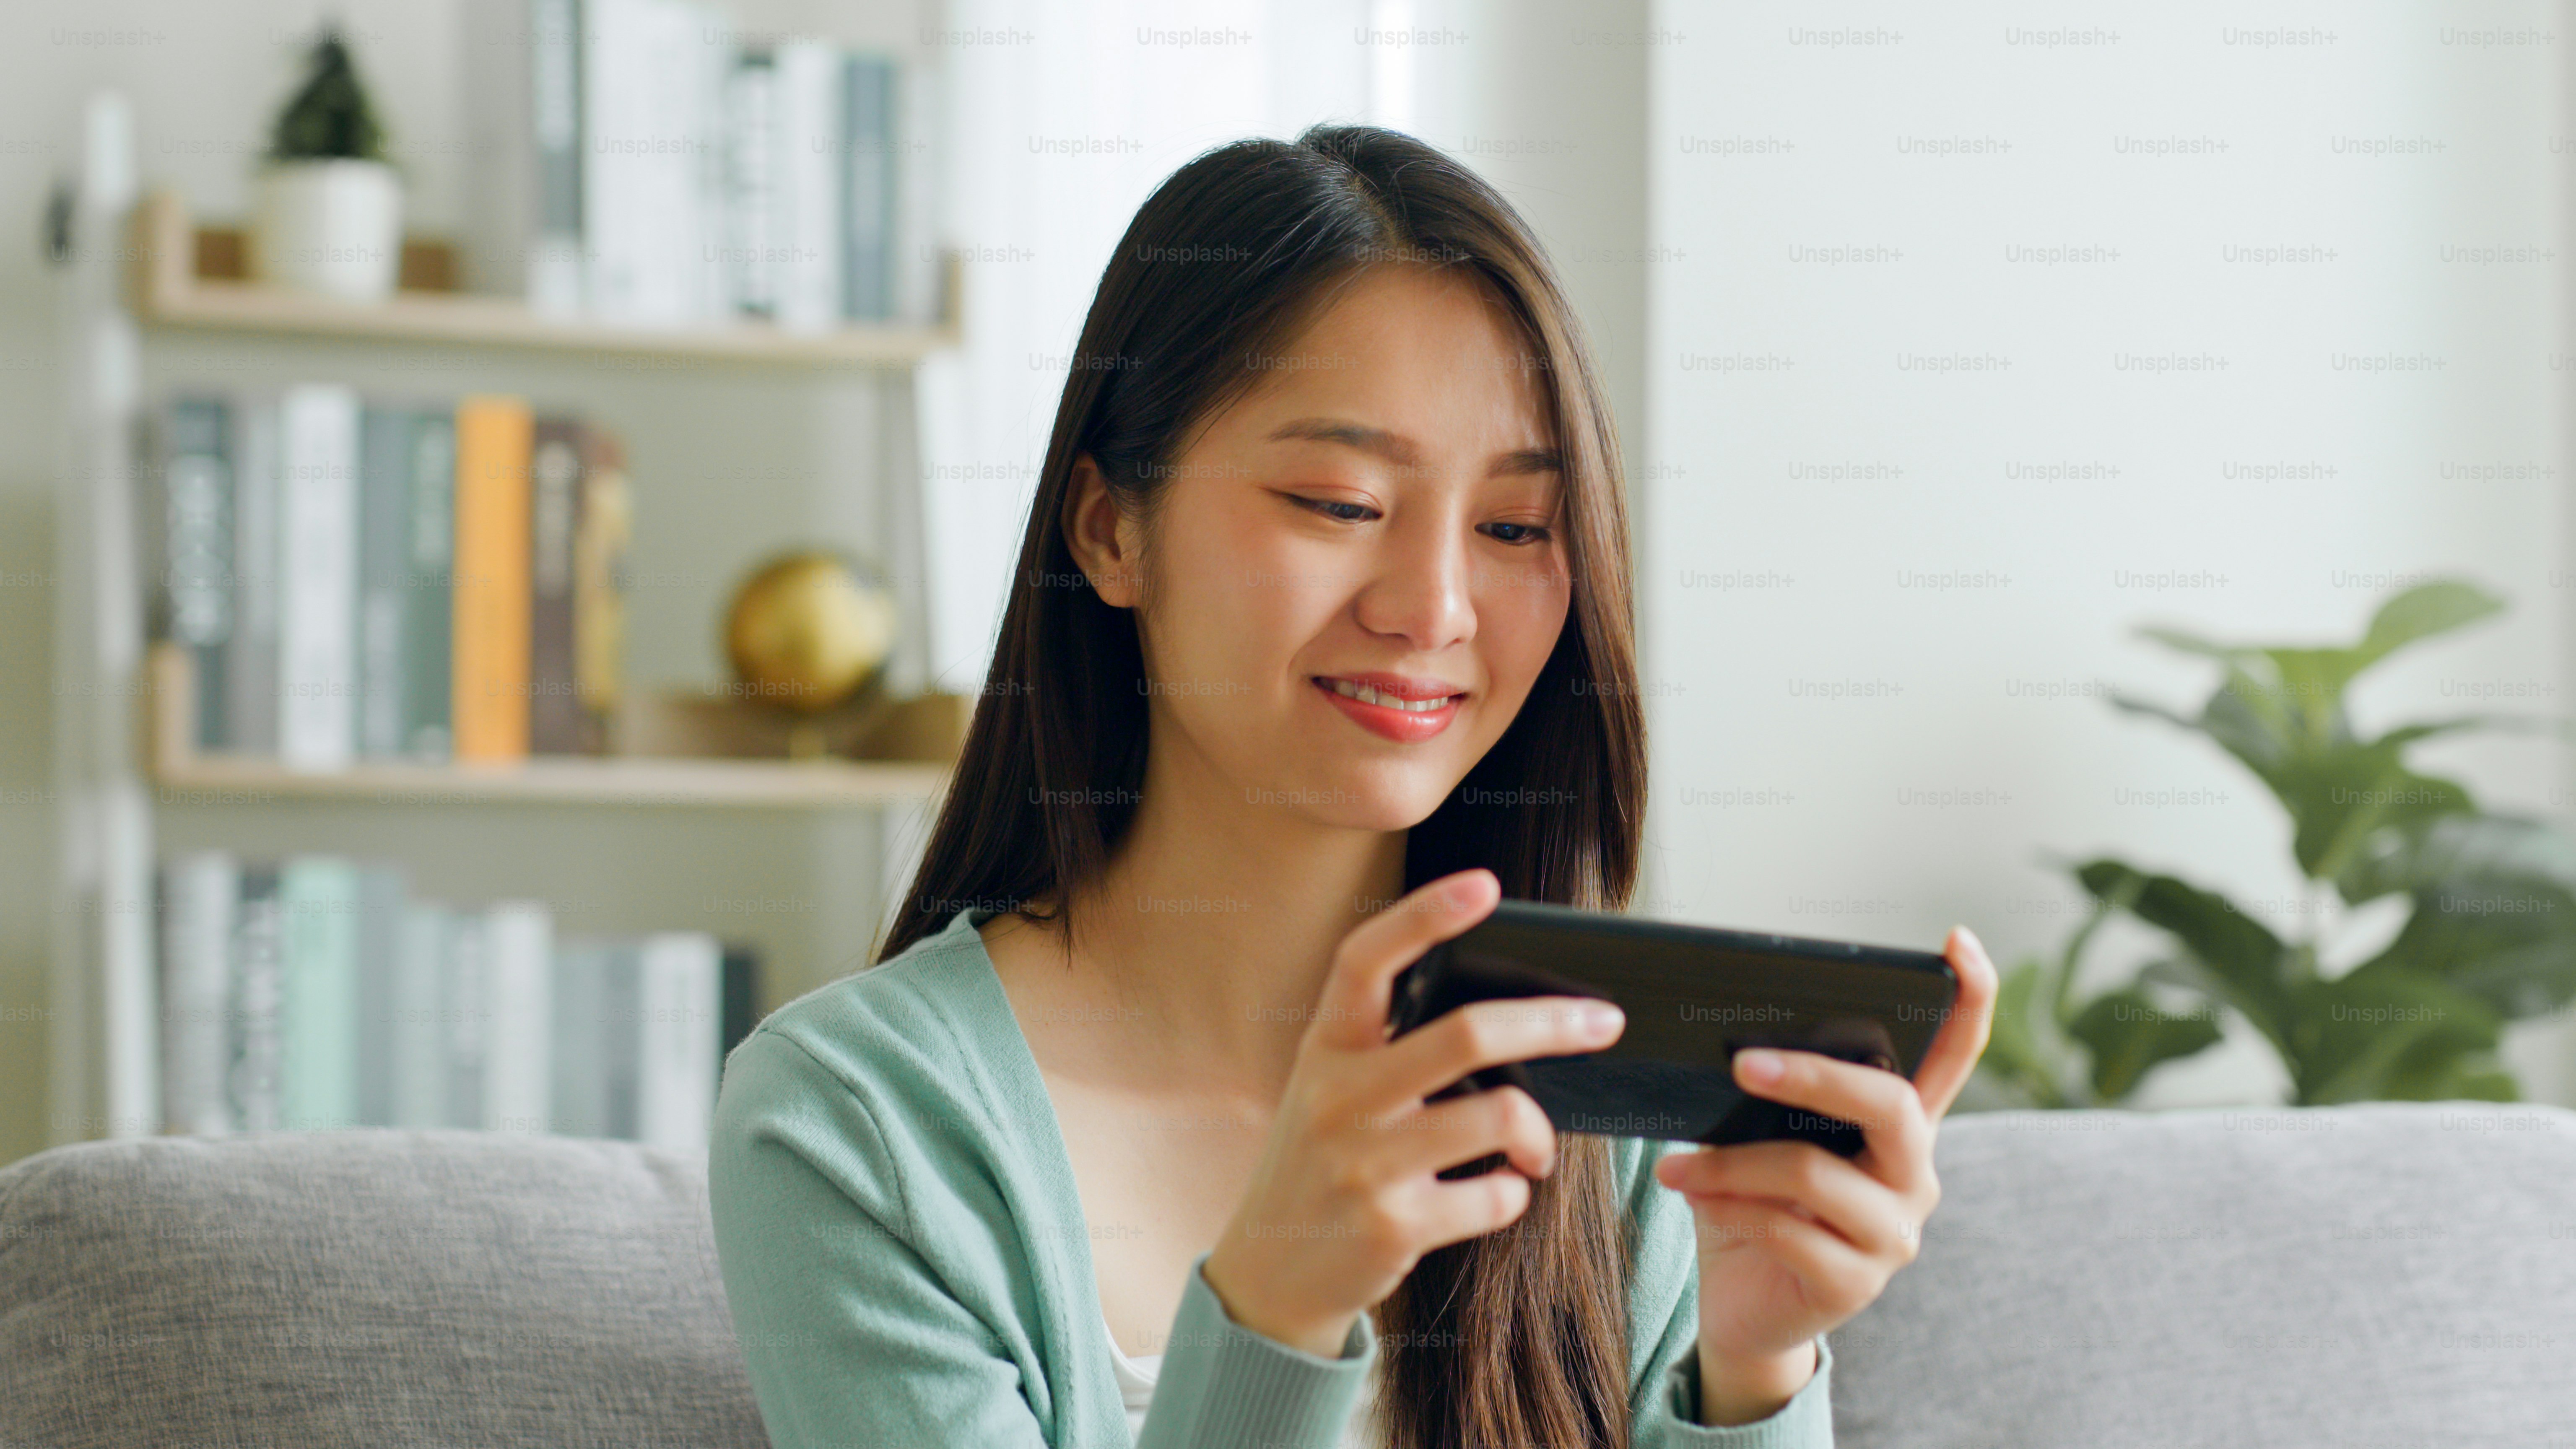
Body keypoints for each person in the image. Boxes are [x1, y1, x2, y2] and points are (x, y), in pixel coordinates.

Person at [708, 123, 1998, 1449]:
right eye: (1337, 502)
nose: (1433, 608)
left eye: (1512, 528)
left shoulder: (1609, 1107)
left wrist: (1754, 1371)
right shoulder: (858, 1127)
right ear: (1109, 529)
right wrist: (1275, 1303)